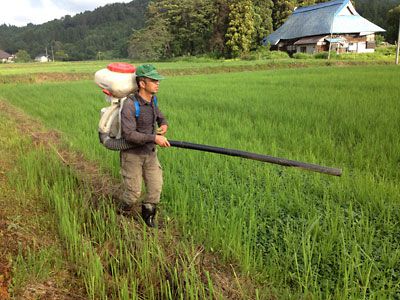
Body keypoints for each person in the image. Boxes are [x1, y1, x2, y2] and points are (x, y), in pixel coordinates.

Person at [120, 64, 170, 227]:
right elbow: (129, 134)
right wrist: (154, 138)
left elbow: (160, 117)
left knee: (155, 188)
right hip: (132, 155)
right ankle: (122, 211)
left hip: (150, 154)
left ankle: (148, 219)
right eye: (153, 80)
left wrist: (163, 124)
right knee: (133, 193)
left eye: (158, 80)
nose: (158, 83)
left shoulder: (152, 100)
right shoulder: (130, 105)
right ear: (142, 84)